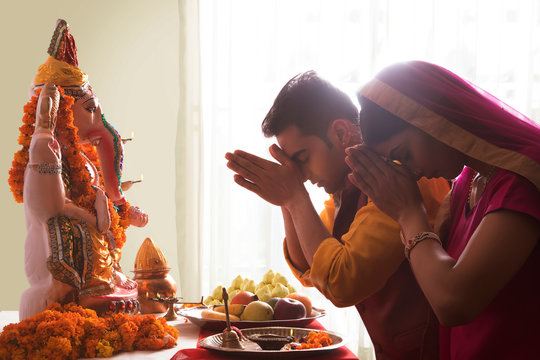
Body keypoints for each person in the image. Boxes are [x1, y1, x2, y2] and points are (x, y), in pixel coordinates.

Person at [225, 71, 450, 359]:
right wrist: (287, 198)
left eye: (302, 159)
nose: (303, 176)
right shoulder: (350, 185)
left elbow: (341, 282)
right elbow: (310, 265)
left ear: (342, 133)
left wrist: (294, 196)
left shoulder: (395, 178)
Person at [346, 60, 540, 359]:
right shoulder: (465, 185)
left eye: (404, 155)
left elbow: (453, 302)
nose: (412, 173)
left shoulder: (521, 181)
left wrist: (409, 213)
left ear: (432, 118)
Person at [9, 19, 148, 319]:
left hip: (97, 275)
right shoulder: (44, 151)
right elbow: (53, 207)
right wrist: (93, 217)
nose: (97, 118)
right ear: (61, 110)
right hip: (59, 282)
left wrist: (118, 212)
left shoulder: (82, 160)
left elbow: (102, 200)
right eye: (90, 109)